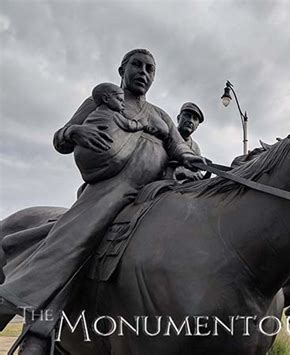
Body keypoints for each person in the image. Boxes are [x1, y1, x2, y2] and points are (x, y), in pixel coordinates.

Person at [0, 49, 205, 353]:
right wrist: (75, 131)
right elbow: (60, 139)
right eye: (137, 65)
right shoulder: (99, 101)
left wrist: (195, 163)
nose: (143, 72)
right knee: (77, 242)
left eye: (150, 68)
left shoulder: (160, 116)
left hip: (152, 194)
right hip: (109, 190)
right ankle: (41, 326)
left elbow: (179, 148)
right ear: (122, 68)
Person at [166, 102, 207, 182]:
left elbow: (195, 171)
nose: (191, 121)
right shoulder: (166, 134)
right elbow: (155, 164)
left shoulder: (195, 148)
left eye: (195, 119)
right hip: (162, 183)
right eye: (187, 116)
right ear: (178, 118)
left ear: (197, 126)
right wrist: (181, 172)